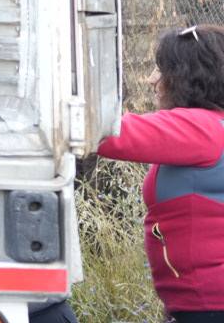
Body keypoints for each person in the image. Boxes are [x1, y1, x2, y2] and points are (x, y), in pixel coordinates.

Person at [96, 24, 224, 323]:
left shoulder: (202, 130)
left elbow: (110, 135)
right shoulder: (211, 127)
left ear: (185, 78)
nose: (152, 79)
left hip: (209, 304)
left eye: (161, 70)